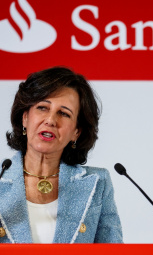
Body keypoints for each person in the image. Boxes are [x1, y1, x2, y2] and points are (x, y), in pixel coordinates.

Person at [0, 66, 123, 243]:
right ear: (25, 117)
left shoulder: (98, 183)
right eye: (42, 107)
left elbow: (114, 249)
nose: (50, 120)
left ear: (76, 132)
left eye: (64, 113)